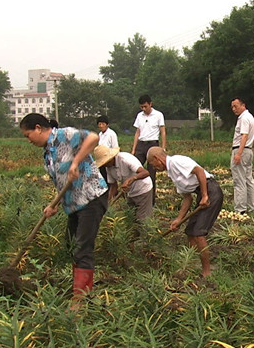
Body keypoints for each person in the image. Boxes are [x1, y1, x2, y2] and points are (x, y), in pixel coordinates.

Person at [20, 113, 109, 309]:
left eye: (28, 135)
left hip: (91, 197)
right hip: (73, 203)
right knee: (70, 245)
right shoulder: (47, 154)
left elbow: (93, 138)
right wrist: (53, 205)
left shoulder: (65, 134)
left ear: (38, 128)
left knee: (82, 247)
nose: (28, 140)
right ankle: (81, 288)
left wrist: (76, 161)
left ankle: (80, 299)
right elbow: (61, 181)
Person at [146, 146, 223, 278]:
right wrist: (178, 219)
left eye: (153, 165)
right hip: (201, 194)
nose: (155, 168)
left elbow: (199, 171)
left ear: (157, 159)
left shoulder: (176, 161)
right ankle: (191, 264)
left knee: (198, 233)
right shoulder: (172, 173)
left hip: (211, 192)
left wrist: (205, 195)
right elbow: (187, 198)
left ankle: (207, 272)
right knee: (190, 231)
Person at [94, 145, 153, 223]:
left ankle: (145, 235)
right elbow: (113, 185)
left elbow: (145, 173)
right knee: (131, 218)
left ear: (110, 158)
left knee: (143, 219)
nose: (104, 165)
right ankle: (136, 235)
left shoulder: (125, 159)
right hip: (129, 193)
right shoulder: (108, 167)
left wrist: (131, 179)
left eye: (105, 162)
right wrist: (109, 201)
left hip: (142, 189)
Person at [131, 95, 166, 204]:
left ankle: (151, 201)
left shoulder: (158, 115)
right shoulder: (139, 116)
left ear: (150, 104)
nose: (144, 109)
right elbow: (137, 132)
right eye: (141, 107)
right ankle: (134, 198)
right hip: (141, 145)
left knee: (151, 173)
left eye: (145, 106)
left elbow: (163, 132)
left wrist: (163, 148)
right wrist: (133, 149)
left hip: (153, 145)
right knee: (135, 170)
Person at [230, 97, 254, 214]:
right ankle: (252, 207)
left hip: (241, 150)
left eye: (236, 106)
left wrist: (238, 154)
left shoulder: (244, 118)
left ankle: (240, 209)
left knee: (239, 180)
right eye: (232, 107)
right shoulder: (250, 117)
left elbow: (244, 136)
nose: (234, 109)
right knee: (248, 179)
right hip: (248, 150)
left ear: (243, 105)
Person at [96, 115, 119, 184]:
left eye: (103, 124)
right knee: (103, 177)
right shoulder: (100, 134)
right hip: (102, 159)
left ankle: (113, 193)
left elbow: (115, 147)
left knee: (111, 178)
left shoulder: (111, 134)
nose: (101, 126)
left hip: (109, 159)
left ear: (107, 124)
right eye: (99, 124)